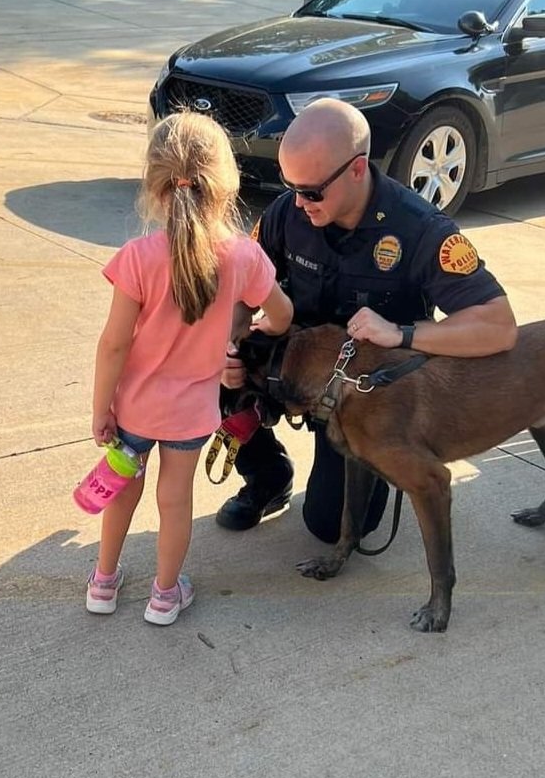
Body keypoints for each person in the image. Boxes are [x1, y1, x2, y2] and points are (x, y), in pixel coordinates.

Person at [217, 98, 517, 542]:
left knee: (331, 527)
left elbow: (499, 325)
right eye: (290, 185)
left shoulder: (420, 231)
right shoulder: (288, 212)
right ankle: (267, 477)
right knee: (208, 371)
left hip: (367, 401)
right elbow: (245, 284)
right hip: (293, 368)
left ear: (357, 170)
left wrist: (403, 333)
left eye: (313, 191)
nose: (299, 202)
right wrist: (231, 342)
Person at [87, 112, 294, 625]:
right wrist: (242, 333)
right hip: (191, 413)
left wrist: (101, 409)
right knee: (174, 501)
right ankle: (163, 595)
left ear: (154, 185)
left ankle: (103, 583)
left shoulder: (137, 257)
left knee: (122, 490)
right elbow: (283, 313)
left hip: (134, 407)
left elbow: (113, 345)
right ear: (225, 183)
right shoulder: (242, 254)